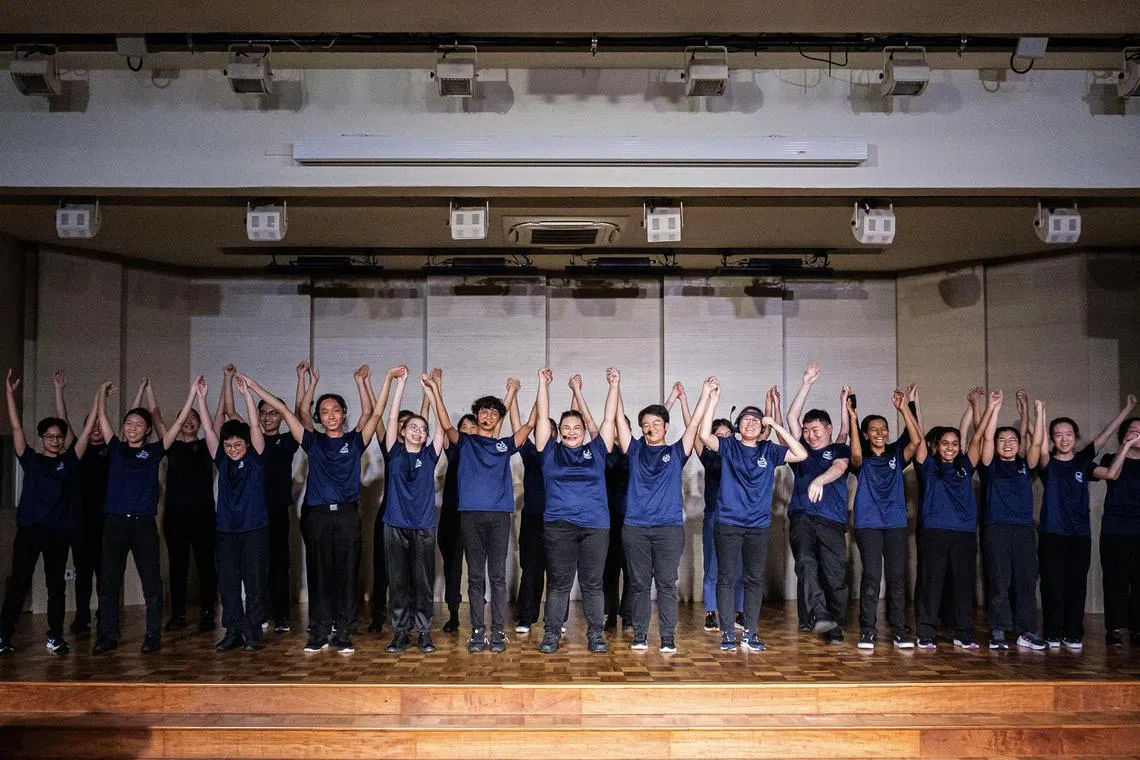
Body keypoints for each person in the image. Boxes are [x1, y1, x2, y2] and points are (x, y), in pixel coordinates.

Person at [246, 366, 381, 654]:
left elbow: (373, 414)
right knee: (319, 574)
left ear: (343, 413)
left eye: (335, 410)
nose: (330, 415)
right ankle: (319, 632)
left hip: (347, 515)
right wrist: (255, 387)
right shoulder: (312, 441)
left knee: (346, 575)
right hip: (318, 516)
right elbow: (284, 409)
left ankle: (344, 632)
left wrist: (363, 382)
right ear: (318, 418)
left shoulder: (355, 441)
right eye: (323, 411)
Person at [699, 378, 808, 652]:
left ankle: (750, 631)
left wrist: (776, 425)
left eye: (756, 421)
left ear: (762, 428)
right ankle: (727, 633)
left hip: (758, 526)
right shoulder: (729, 446)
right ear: (739, 427)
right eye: (746, 420)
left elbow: (801, 453)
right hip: (727, 523)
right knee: (725, 577)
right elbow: (703, 436)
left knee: (754, 578)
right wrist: (712, 401)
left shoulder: (770, 450)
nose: (750, 423)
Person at [93, 376, 201, 654]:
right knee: (108, 582)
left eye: (138, 424)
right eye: (128, 424)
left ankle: (152, 635)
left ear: (148, 430)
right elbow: (102, 416)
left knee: (151, 582)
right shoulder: (115, 448)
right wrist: (101, 394)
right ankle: (107, 635)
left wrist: (191, 394)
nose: (132, 428)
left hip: (143, 525)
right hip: (114, 524)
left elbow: (176, 426)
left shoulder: (154, 451)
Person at [0, 370, 100, 655]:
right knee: (18, 583)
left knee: (56, 588)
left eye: (59, 437)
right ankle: (4, 635)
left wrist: (98, 401)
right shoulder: (31, 460)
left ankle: (55, 636)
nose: (55, 440)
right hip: (30, 532)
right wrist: (9, 394)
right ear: (42, 438)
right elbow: (17, 429)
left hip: (59, 533)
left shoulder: (70, 461)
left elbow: (89, 425)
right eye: (49, 436)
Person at [428, 375, 530, 653]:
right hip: (470, 516)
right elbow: (446, 422)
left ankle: (498, 632)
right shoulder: (465, 442)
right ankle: (476, 631)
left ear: (498, 419)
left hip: (499, 517)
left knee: (497, 576)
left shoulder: (503, 445)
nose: (488, 415)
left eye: (493, 412)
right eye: (483, 411)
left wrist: (522, 391)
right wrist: (436, 389)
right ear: (477, 416)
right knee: (475, 577)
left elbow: (530, 425)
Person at [616, 378, 710, 653]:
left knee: (667, 584)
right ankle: (640, 635)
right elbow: (618, 421)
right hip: (635, 528)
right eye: (645, 424)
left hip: (668, 528)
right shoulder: (634, 451)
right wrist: (616, 386)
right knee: (640, 584)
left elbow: (693, 426)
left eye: (657, 423)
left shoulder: (676, 452)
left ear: (666, 427)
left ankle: (667, 637)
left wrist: (702, 394)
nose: (651, 427)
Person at [1037, 395, 1136, 649]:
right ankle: (1052, 632)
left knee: (1076, 586)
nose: (1064, 438)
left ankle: (1073, 633)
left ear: (1076, 437)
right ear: (1052, 439)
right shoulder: (1046, 463)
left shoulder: (1083, 462)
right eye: (1058, 434)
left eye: (1068, 433)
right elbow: (1036, 441)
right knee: (1052, 586)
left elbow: (1112, 472)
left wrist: (1127, 420)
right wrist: (1040, 413)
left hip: (1079, 535)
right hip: (1052, 534)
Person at [535, 367, 620, 654]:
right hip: (559, 525)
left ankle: (596, 635)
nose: (572, 432)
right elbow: (541, 415)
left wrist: (613, 386)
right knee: (559, 584)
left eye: (577, 428)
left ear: (584, 432)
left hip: (595, 525)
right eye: (567, 429)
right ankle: (551, 635)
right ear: (560, 432)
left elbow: (609, 419)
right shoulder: (549, 450)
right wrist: (543, 384)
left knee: (592, 584)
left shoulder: (596, 451)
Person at [222, 362, 305, 634]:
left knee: (280, 563)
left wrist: (301, 378)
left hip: (278, 508)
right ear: (257, 416)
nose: (269, 417)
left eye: (273, 414)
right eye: (263, 413)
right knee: (257, 566)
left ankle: (281, 615)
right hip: (252, 512)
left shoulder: (288, 441)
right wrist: (229, 379)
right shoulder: (250, 438)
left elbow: (298, 414)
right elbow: (230, 413)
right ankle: (262, 613)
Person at [197, 375, 269, 652]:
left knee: (253, 584)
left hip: (254, 529)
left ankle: (253, 632)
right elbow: (208, 428)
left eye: (237, 445)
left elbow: (253, 424)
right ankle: (233, 631)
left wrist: (248, 394)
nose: (233, 449)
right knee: (228, 585)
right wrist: (201, 398)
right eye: (228, 446)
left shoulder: (255, 459)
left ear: (247, 445)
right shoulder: (222, 461)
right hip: (226, 531)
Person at [912, 390, 988, 650]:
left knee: (963, 584)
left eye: (955, 444)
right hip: (935, 532)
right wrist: (913, 405)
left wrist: (977, 405)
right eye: (945, 443)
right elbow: (918, 437)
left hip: (964, 533)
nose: (950, 447)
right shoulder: (929, 467)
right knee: (931, 583)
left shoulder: (965, 467)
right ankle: (926, 633)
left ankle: (964, 633)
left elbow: (978, 436)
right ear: (937, 445)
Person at [846, 387, 919, 650]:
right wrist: (853, 417)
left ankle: (899, 629)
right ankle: (867, 629)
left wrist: (904, 409)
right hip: (868, 524)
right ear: (866, 434)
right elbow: (854, 454)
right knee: (872, 576)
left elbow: (916, 441)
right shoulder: (862, 457)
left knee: (897, 577)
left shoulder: (896, 454)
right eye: (874, 430)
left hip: (896, 523)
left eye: (884, 428)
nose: (880, 433)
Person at [783, 363, 851, 643]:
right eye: (807, 430)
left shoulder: (838, 448)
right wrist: (807, 383)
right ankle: (819, 616)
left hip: (832, 522)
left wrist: (819, 480)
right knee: (807, 565)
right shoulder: (800, 453)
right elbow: (791, 416)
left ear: (828, 429)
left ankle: (832, 620)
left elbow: (840, 467)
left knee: (835, 576)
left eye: (816, 430)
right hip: (802, 516)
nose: (810, 435)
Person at [382, 370, 447, 654]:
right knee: (398, 582)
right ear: (402, 431)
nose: (418, 430)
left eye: (422, 428)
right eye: (412, 427)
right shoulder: (393, 451)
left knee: (422, 582)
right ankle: (399, 633)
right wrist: (401, 384)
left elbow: (442, 427)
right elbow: (392, 414)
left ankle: (423, 632)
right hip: (394, 525)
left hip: (423, 526)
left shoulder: (430, 455)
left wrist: (434, 389)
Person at [978, 390, 1048, 650]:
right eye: (1002, 440)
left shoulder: (1024, 465)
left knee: (1026, 582)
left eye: (1012, 439)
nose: (1007, 443)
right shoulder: (989, 465)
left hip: (1024, 531)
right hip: (996, 529)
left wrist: (1039, 413)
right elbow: (985, 438)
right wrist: (994, 408)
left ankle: (1027, 631)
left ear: (1019, 444)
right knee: (999, 580)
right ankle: (997, 631)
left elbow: (1037, 444)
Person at [156, 373, 222, 634]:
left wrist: (201, 397)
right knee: (177, 566)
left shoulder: (208, 446)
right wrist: (190, 395)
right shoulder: (171, 447)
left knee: (206, 565)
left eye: (195, 419)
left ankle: (207, 613)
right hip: (175, 516)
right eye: (186, 419)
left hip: (203, 515)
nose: (190, 423)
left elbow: (214, 420)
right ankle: (178, 614)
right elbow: (158, 418)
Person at [51, 371, 110, 635]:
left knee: (105, 571)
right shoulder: (78, 451)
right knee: (83, 571)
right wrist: (59, 390)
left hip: (106, 520)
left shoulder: (112, 451)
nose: (96, 430)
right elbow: (63, 421)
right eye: (91, 425)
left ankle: (104, 616)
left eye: (99, 425)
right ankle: (82, 615)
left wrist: (102, 400)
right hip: (80, 520)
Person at [1094, 406, 1140, 646]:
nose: (1137, 435)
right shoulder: (1110, 459)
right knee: (1115, 580)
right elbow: (1112, 474)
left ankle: (1138, 628)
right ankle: (1114, 628)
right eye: (1133, 431)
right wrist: (1125, 447)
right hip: (1115, 529)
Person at [696, 414, 743, 633]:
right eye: (719, 435)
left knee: (740, 566)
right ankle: (710, 612)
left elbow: (762, 435)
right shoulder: (708, 457)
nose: (724, 439)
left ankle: (740, 612)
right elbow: (694, 429)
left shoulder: (740, 455)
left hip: (738, 516)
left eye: (728, 435)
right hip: (714, 514)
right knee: (712, 565)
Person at [439, 406, 477, 634]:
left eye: (474, 427)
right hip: (452, 519)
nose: (469, 431)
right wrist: (435, 390)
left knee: (476, 570)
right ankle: (453, 614)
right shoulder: (453, 451)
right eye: (464, 428)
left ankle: (477, 616)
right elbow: (444, 425)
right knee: (452, 570)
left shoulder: (485, 452)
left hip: (474, 518)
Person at [514, 402, 548, 635]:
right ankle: (525, 617)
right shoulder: (531, 454)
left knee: (557, 571)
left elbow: (576, 419)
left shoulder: (562, 454)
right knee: (531, 569)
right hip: (533, 519)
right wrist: (532, 398)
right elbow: (518, 426)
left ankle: (557, 619)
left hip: (558, 520)